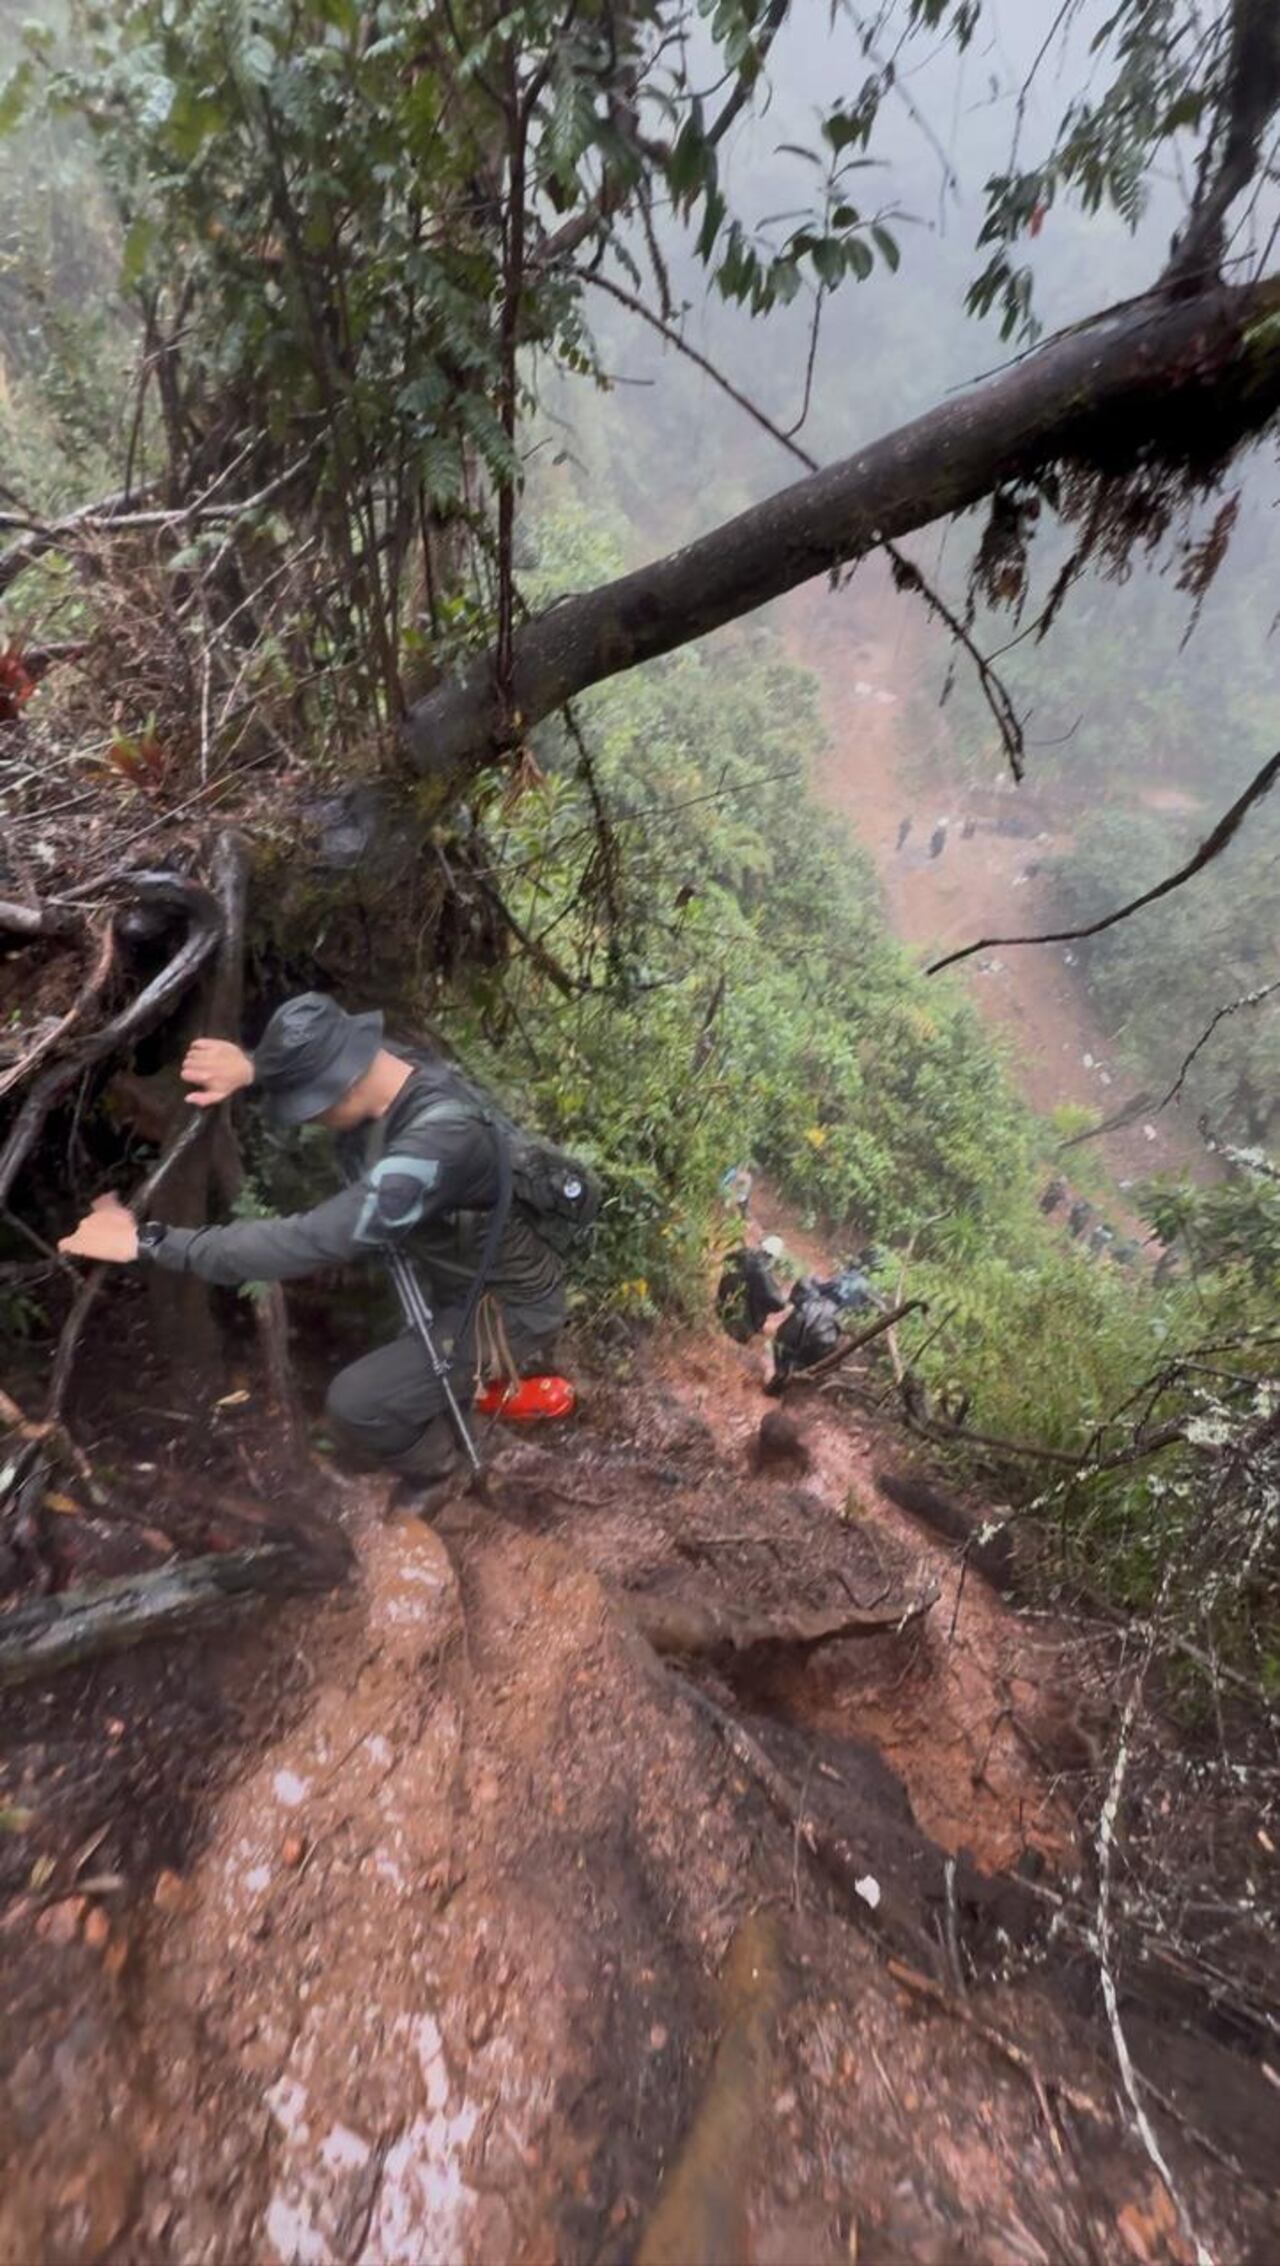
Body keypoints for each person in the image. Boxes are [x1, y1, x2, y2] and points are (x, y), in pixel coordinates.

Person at [58, 994, 575, 1500]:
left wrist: (146, 1240)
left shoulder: (440, 1144)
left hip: (506, 1309)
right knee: (409, 1373)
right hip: (451, 1275)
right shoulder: (393, 1066)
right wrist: (254, 1068)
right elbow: (321, 1052)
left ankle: (445, 1470)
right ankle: (451, 1403)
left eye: (311, 1108)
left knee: (357, 1404)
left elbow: (310, 1241)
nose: (308, 1120)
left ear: (343, 1089)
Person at [715, 1234, 789, 1344]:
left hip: (722, 1306)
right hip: (740, 1323)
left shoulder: (739, 1255)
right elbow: (777, 1302)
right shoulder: (760, 1270)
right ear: (772, 1256)